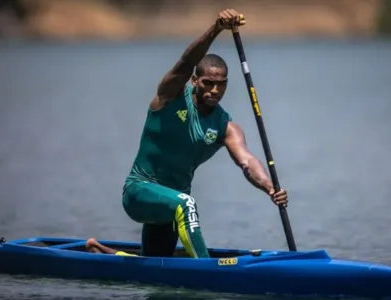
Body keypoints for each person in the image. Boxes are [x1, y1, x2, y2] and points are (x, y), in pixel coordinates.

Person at [122, 8, 288, 259]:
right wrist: (216, 29)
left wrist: (270, 187)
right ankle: (210, 272)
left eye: (220, 84)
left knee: (156, 265)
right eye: (207, 83)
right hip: (140, 192)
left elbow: (247, 161)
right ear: (193, 81)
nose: (214, 90)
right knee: (186, 204)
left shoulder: (226, 126)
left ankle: (104, 254)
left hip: (170, 209)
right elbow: (186, 62)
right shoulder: (171, 95)